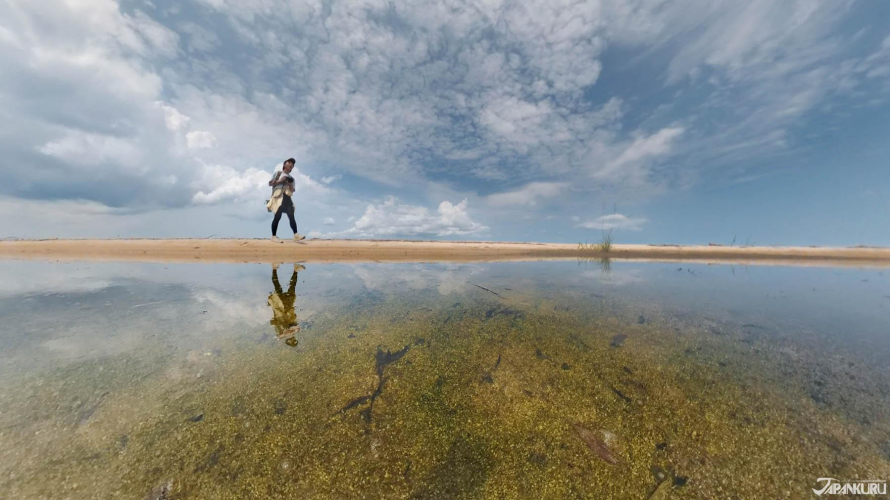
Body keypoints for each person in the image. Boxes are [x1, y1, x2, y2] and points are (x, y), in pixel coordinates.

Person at [267, 158, 305, 242]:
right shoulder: (278, 173)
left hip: (287, 197)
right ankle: (273, 236)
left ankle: (296, 235)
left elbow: (292, 190)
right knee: (277, 216)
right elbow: (270, 184)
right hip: (278, 196)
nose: (290, 164)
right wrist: (281, 180)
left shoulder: (292, 179)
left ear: (292, 168)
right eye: (289, 162)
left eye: (292, 164)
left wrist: (289, 183)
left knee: (291, 216)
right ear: (284, 165)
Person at [268, 263, 305, 347]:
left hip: (280, 308)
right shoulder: (293, 332)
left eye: (291, 339)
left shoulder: (280, 333)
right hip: (288, 309)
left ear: (288, 340)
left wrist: (283, 334)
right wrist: (295, 329)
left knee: (277, 287)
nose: (292, 337)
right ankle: (296, 270)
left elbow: (276, 324)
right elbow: (296, 325)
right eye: (294, 339)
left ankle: (274, 268)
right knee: (292, 289)